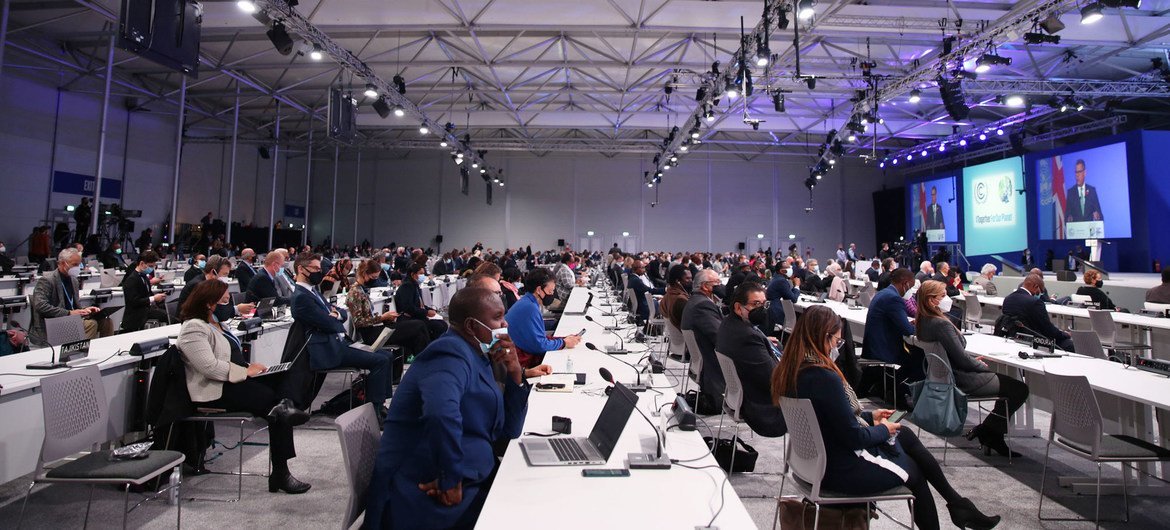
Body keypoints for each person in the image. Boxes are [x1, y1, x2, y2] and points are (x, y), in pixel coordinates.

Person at [771, 305, 1000, 530]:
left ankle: (958, 505)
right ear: (823, 336)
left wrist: (871, 417)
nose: (837, 347)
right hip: (840, 468)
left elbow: (829, 416)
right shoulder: (823, 377)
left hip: (815, 463)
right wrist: (884, 429)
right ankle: (959, 508)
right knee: (913, 469)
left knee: (905, 434)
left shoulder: (792, 370)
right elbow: (854, 437)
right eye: (836, 341)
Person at [364, 287, 530, 529]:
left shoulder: (480, 356)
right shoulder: (449, 352)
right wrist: (450, 478)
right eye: (497, 317)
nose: (504, 323)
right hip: (427, 489)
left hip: (473, 473)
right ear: (472, 326)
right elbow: (440, 413)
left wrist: (515, 372)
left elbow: (508, 431)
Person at [176, 280, 310, 494]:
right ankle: (281, 472)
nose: (229, 304)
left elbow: (230, 357)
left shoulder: (218, 324)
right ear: (209, 303)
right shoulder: (193, 328)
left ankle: (286, 407)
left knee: (286, 375)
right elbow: (208, 367)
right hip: (215, 390)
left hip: (233, 380)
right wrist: (244, 372)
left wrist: (250, 367)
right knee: (275, 405)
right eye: (224, 300)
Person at [915, 281, 1029, 457]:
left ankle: (990, 432)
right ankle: (989, 431)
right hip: (962, 379)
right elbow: (962, 360)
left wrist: (973, 362)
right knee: (1019, 388)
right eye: (943, 295)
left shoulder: (923, 321)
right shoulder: (941, 324)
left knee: (1009, 384)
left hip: (946, 377)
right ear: (931, 301)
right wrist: (980, 366)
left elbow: (954, 355)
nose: (948, 299)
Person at [290, 253, 393, 415]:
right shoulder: (301, 297)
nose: (320, 271)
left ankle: (381, 404)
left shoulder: (312, 291)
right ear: (301, 269)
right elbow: (330, 324)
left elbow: (341, 314)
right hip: (329, 350)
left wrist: (336, 315)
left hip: (339, 343)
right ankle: (375, 410)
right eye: (316, 268)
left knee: (386, 356)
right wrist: (334, 318)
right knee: (380, 360)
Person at [716, 282, 786, 437]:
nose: (761, 309)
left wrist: (764, 341)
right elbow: (775, 378)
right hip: (766, 409)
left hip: (744, 398)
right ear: (738, 307)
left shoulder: (730, 325)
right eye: (755, 304)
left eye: (764, 304)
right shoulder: (747, 337)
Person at [347, 259, 431, 373]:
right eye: (374, 277)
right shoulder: (355, 292)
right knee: (419, 325)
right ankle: (426, 367)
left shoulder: (362, 290)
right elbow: (359, 322)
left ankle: (421, 369)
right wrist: (382, 318)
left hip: (376, 329)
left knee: (417, 335)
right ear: (365, 274)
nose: (375, 280)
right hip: (370, 335)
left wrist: (385, 317)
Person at [28, 248, 114, 347]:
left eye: (79, 264)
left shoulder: (74, 280)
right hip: (54, 322)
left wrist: (85, 310)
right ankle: (80, 355)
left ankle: (103, 350)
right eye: (75, 264)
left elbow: (73, 306)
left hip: (71, 319)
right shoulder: (47, 280)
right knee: (91, 324)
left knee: (107, 321)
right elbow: (40, 305)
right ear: (63, 263)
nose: (78, 267)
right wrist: (69, 313)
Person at [504, 268, 580, 368]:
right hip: (521, 363)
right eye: (550, 291)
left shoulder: (527, 302)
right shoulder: (530, 308)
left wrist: (563, 339)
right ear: (539, 290)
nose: (552, 294)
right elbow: (539, 345)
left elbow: (538, 338)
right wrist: (564, 342)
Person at [860, 268, 918, 399]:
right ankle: (898, 394)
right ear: (905, 283)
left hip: (874, 346)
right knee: (918, 360)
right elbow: (907, 330)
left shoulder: (882, 293)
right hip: (884, 349)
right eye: (911, 287)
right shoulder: (894, 299)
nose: (911, 291)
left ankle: (886, 388)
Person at [681, 269, 725, 405]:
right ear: (705, 286)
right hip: (714, 363)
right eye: (717, 282)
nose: (720, 286)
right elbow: (720, 337)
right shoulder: (702, 305)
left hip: (706, 359)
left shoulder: (695, 301)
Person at [1002, 274, 1074, 352]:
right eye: (1040, 291)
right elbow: (1048, 330)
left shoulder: (1007, 299)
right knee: (1070, 345)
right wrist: (1065, 334)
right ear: (1035, 287)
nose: (1040, 294)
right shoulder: (1035, 302)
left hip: (1012, 338)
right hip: (1035, 342)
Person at [177, 256, 254, 321]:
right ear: (213, 272)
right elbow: (217, 312)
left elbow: (225, 307)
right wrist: (237, 309)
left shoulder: (214, 285)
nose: (226, 278)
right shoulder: (198, 285)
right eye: (225, 274)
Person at [394, 263, 449, 340]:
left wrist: (429, 309)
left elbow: (419, 304)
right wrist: (426, 312)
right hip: (409, 318)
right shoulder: (407, 286)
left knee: (443, 324)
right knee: (438, 326)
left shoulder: (415, 285)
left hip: (417, 315)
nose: (423, 276)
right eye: (421, 273)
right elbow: (408, 308)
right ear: (413, 274)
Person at [120, 250, 169, 332]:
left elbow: (148, 294)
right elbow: (134, 301)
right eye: (150, 266)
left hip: (146, 311)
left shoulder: (145, 277)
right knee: (167, 316)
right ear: (142, 263)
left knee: (168, 311)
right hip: (136, 315)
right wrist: (154, 298)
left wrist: (159, 298)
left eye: (154, 266)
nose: (152, 269)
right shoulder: (131, 279)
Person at [766, 263, 801, 333]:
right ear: (782, 271)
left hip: (771, 309)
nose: (791, 269)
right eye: (788, 268)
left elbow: (788, 293)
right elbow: (793, 299)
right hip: (776, 313)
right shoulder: (781, 281)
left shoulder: (776, 278)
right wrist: (797, 286)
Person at [660, 264, 691, 331]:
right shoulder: (680, 300)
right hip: (686, 339)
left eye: (691, 278)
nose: (691, 281)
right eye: (687, 278)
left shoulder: (668, 295)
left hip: (677, 338)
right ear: (678, 281)